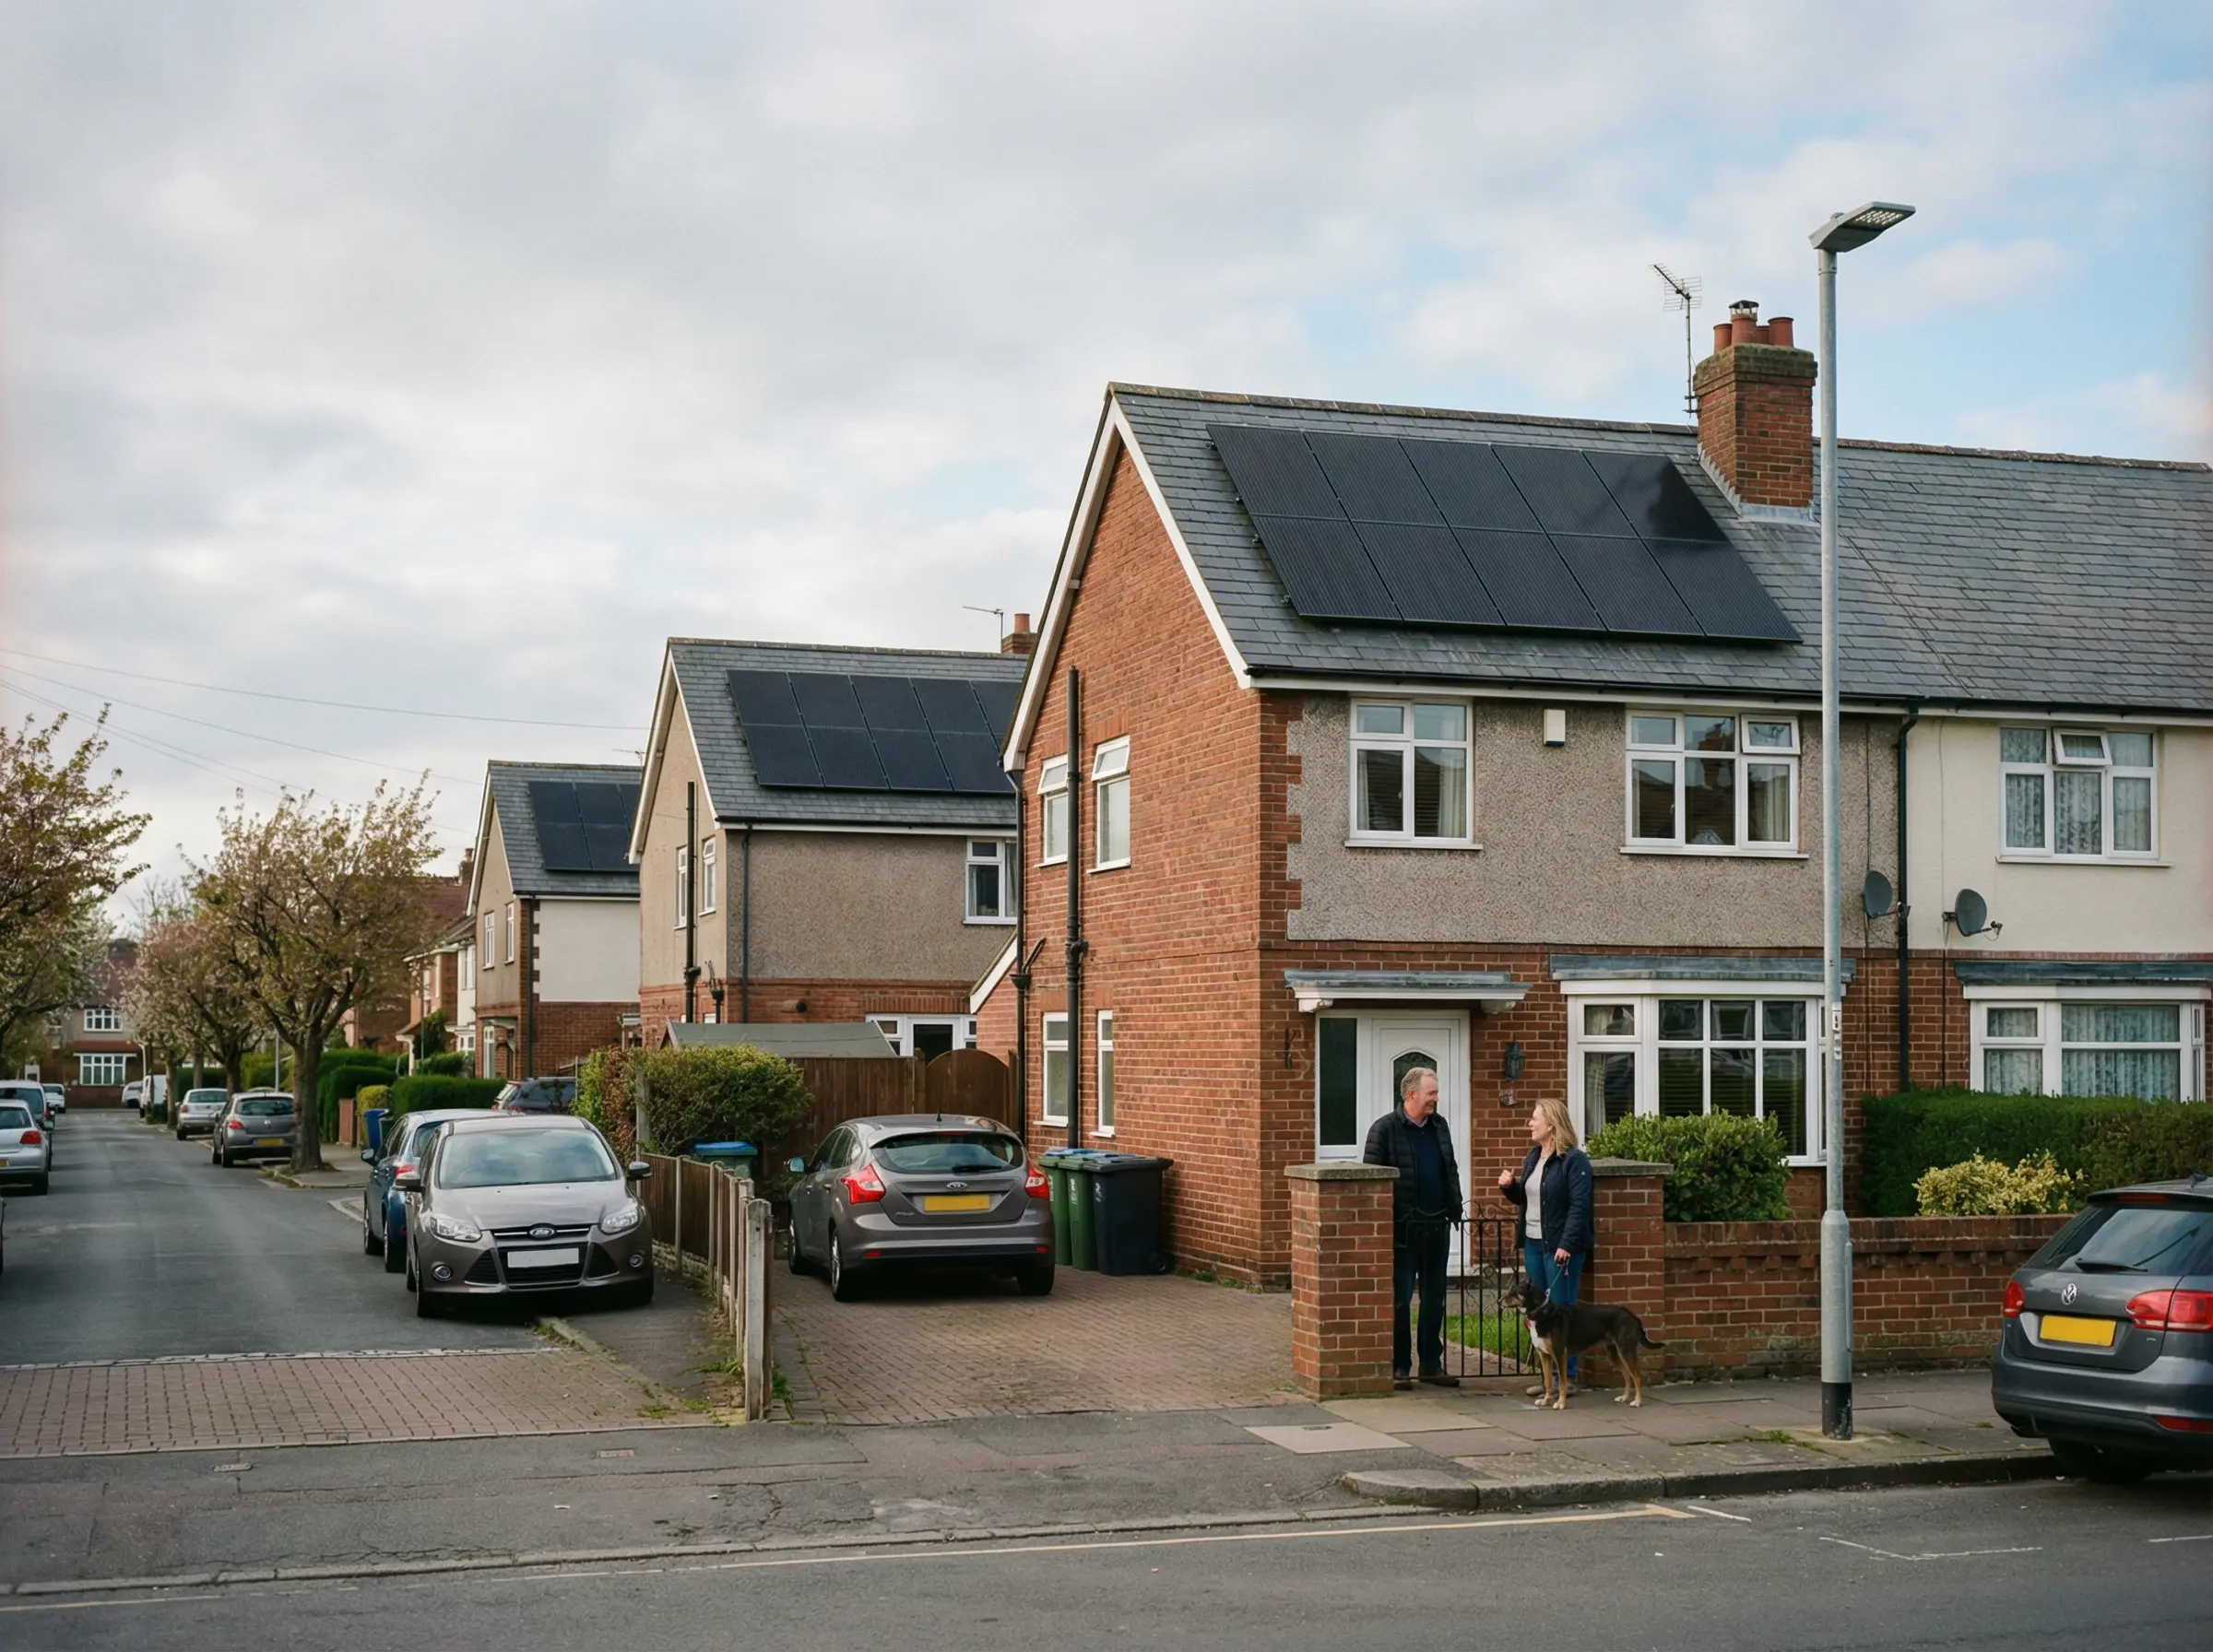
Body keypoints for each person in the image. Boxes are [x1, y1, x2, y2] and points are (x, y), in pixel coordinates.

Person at [1362, 1066, 1464, 1390]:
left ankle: (1431, 1365)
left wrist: (1455, 1206)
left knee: (1435, 1298)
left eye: (1436, 1093)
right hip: (1402, 1229)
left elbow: (1450, 1168)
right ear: (1411, 1095)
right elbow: (1372, 1182)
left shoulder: (1439, 1126)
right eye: (1431, 1093)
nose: (1436, 1099)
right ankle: (1399, 1366)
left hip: (1436, 1225)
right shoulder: (1384, 1130)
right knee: (1400, 1299)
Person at [1497, 1094, 1593, 1398]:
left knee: (1561, 1312)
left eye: (1535, 1119)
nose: (1530, 1123)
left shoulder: (1574, 1160)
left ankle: (1570, 1377)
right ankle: (1548, 1380)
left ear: (1551, 1125)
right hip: (1534, 1244)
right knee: (1537, 1311)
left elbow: (1580, 1206)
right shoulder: (1533, 1156)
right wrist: (1510, 1187)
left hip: (1561, 1248)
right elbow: (1527, 1200)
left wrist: (1566, 1244)